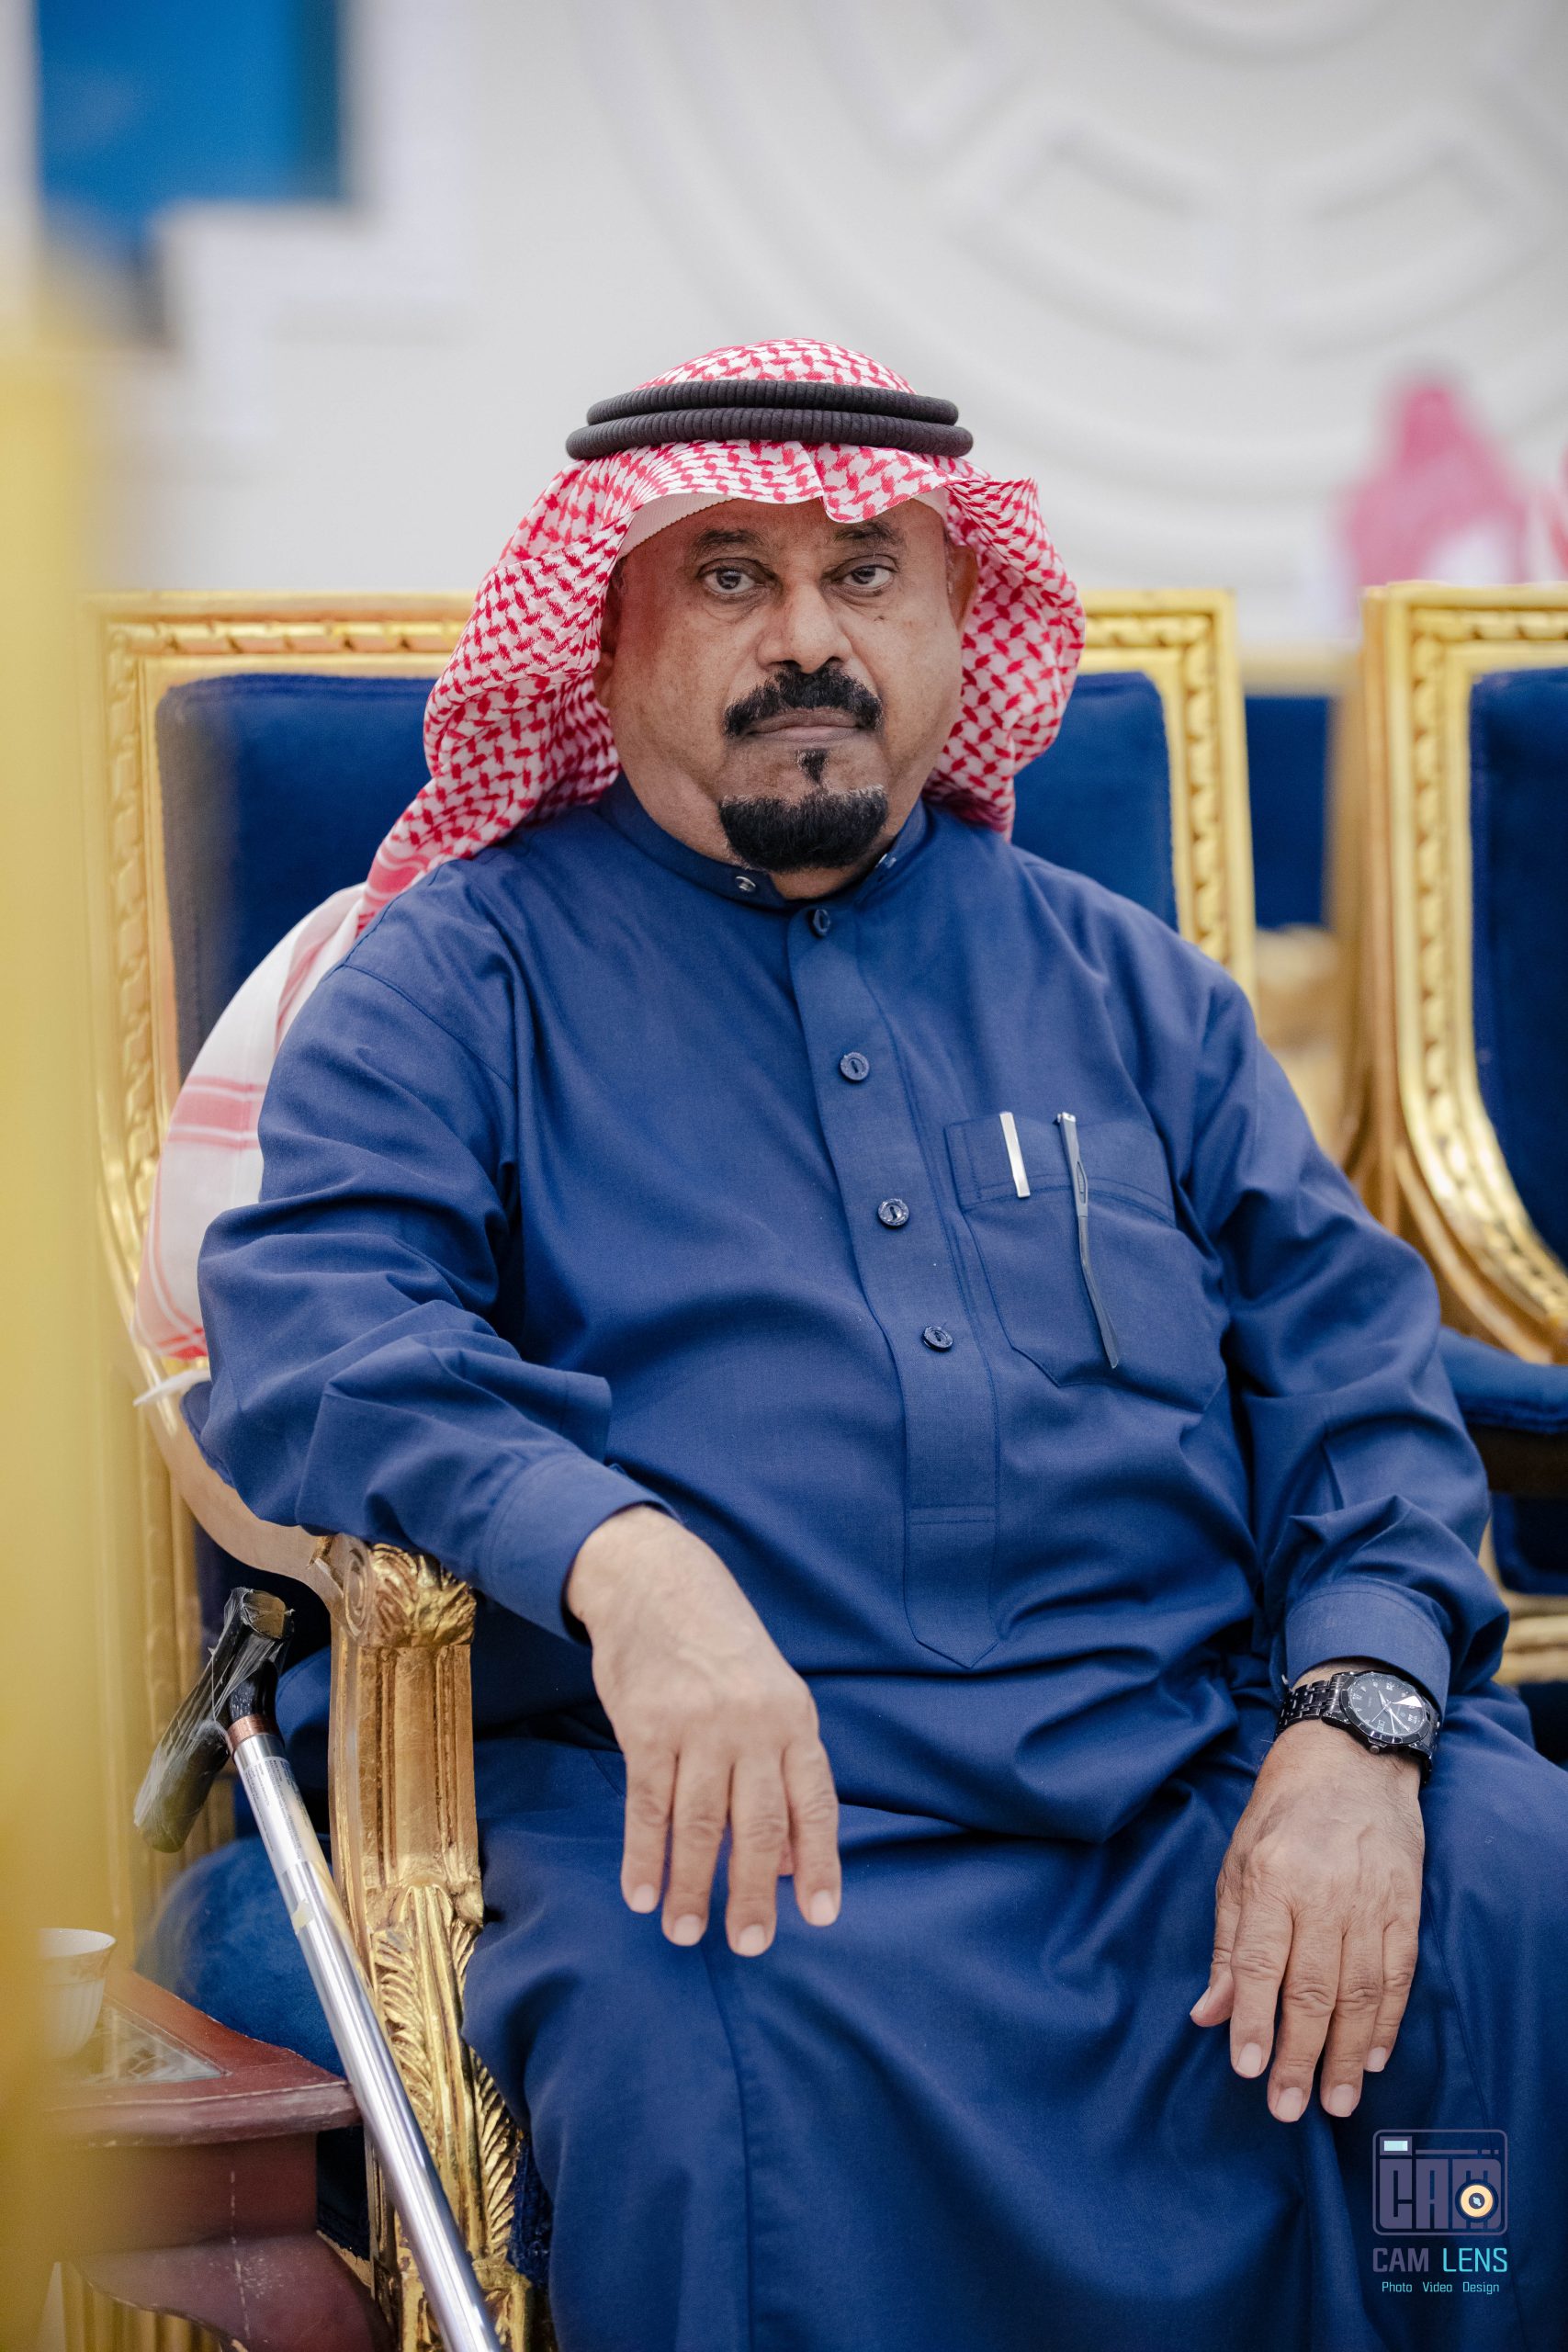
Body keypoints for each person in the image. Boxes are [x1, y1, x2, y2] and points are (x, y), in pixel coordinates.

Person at [165, 342, 1565, 2351]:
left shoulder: (1133, 989)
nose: (807, 639)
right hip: (736, 1804)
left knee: (1507, 1887)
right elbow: (319, 1327)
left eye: (866, 576)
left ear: (955, 619)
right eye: (732, 576)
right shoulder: (459, 976)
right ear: (608, 632)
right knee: (691, 2040)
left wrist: (1353, 1722)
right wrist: (618, 1556)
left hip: (1188, 1760)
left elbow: (1360, 1377)